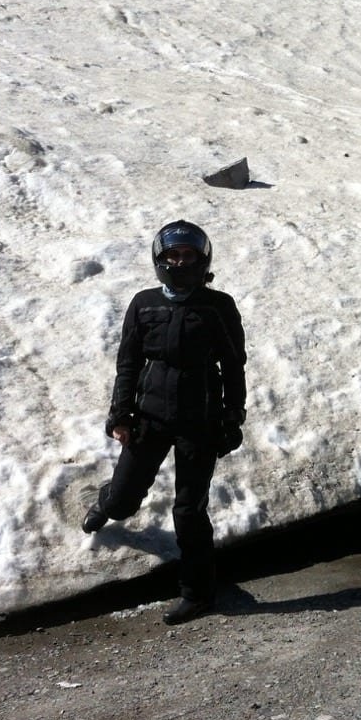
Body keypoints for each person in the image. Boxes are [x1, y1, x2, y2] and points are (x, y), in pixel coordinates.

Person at [82, 220, 247, 625]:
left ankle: (198, 593)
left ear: (202, 260)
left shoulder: (217, 306)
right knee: (124, 500)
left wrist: (232, 416)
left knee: (189, 512)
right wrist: (120, 414)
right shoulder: (144, 304)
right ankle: (107, 502)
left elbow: (233, 366)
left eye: (188, 256)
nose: (180, 262)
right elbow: (128, 363)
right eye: (173, 255)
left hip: (201, 422)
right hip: (150, 419)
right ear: (161, 259)